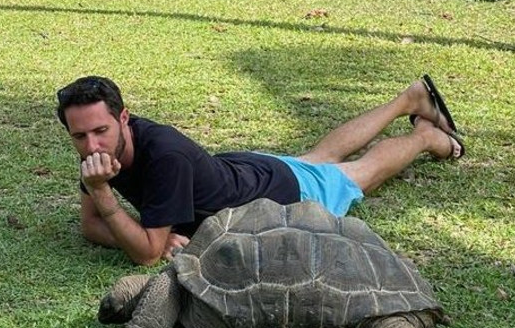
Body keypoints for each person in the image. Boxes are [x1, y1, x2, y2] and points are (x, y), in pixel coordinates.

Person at [56, 75, 464, 266]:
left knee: (360, 174)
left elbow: (144, 255)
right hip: (242, 170)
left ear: (124, 117)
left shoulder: (164, 155)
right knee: (320, 157)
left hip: (277, 194)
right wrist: (151, 240)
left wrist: (114, 204)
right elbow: (90, 227)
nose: (92, 146)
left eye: (101, 131)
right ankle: (406, 99)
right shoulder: (96, 149)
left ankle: (426, 137)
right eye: (80, 137)